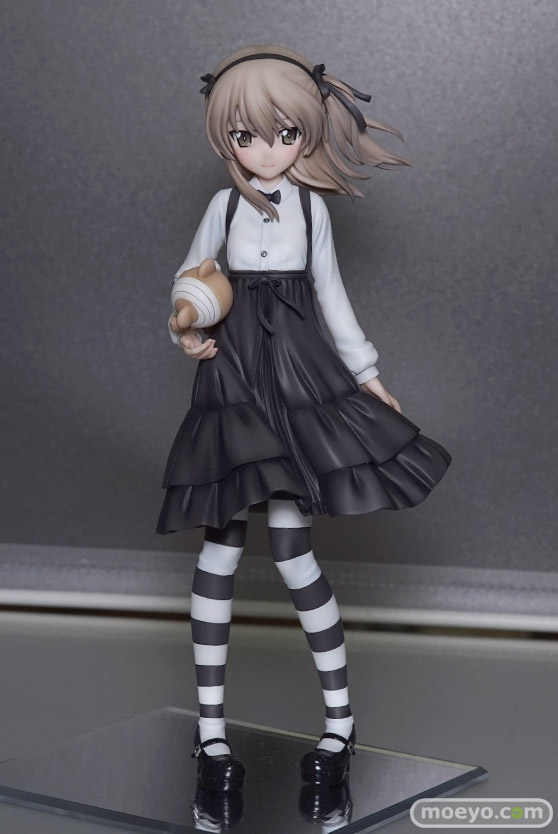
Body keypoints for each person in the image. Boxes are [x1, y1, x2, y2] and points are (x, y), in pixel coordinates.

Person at [157, 45, 452, 790]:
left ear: (305, 134)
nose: (266, 150)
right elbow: (191, 277)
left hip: (296, 381)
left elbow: (332, 296)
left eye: (284, 133)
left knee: (294, 554)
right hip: (232, 382)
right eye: (246, 135)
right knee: (219, 551)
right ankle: (211, 736)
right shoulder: (222, 207)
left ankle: (340, 725)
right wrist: (185, 326)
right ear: (225, 137)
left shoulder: (312, 210)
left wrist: (368, 375)